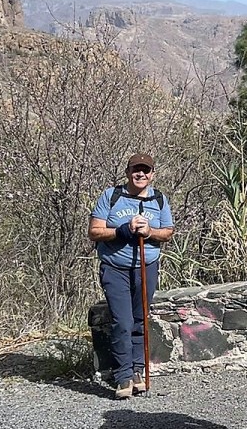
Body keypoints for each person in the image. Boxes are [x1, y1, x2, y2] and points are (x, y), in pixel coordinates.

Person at [88, 152, 175, 399]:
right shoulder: (111, 196)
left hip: (146, 267)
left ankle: (138, 371)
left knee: (139, 319)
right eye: (136, 169)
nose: (141, 174)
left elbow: (168, 232)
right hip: (115, 268)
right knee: (122, 321)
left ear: (152, 175)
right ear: (127, 172)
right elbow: (94, 231)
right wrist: (123, 231)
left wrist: (149, 232)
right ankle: (123, 375)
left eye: (146, 170)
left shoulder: (158, 199)